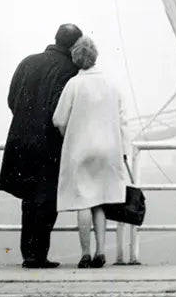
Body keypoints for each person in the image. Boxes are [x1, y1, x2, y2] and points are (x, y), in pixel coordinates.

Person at [0, 22, 82, 268]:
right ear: (74, 44)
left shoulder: (27, 62)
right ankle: (38, 255)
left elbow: (12, 99)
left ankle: (29, 254)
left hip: (21, 140)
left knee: (28, 198)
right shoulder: (70, 69)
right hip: (49, 143)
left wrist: (26, 119)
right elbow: (64, 108)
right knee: (46, 199)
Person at [52, 35, 129, 269]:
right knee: (101, 201)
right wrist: (124, 150)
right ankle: (100, 253)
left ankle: (85, 254)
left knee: (84, 200)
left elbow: (59, 119)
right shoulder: (111, 83)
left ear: (76, 59)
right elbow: (123, 120)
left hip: (80, 149)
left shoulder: (73, 84)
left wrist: (70, 133)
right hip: (108, 149)